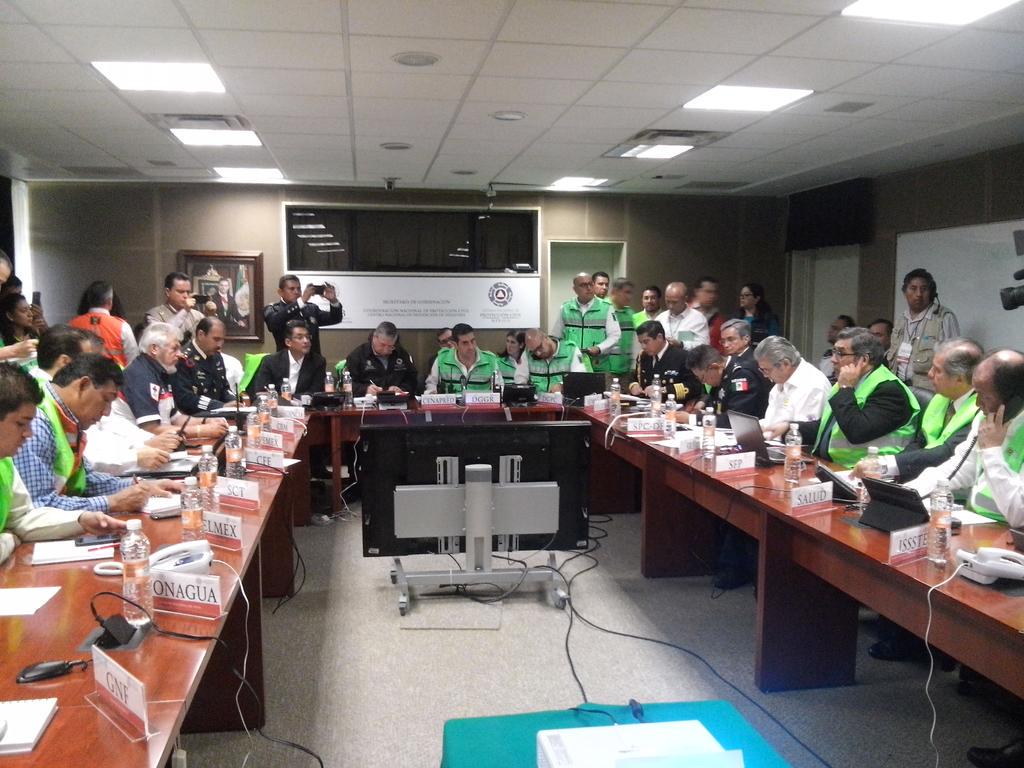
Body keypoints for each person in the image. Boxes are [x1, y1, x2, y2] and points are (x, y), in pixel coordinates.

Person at [13, 354, 176, 514]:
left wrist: (140, 486)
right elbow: (40, 505)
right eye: (106, 399)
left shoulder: (67, 416)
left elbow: (87, 480)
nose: (107, 412)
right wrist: (111, 503)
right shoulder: (36, 424)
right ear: (83, 385)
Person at [0, 364, 126, 564]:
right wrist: (8, 539)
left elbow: (22, 519)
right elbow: (15, 530)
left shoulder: (5, 463)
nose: (28, 434)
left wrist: (80, 519)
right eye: (21, 423)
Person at [769, 327, 920, 469]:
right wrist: (789, 427)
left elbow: (857, 432)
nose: (833, 359)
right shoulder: (847, 383)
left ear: (863, 360)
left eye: (840, 354)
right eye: (834, 352)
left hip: (865, 473)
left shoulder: (889, 390)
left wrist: (846, 388)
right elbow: (830, 428)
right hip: (831, 466)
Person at [908, 349, 1024, 525]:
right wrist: (907, 493)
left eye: (985, 397)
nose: (977, 404)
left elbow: (1019, 514)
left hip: (1011, 532)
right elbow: (959, 468)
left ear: (1014, 401)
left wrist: (992, 450)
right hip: (979, 524)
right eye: (976, 393)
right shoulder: (986, 420)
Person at [854, 338, 982, 483]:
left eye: (937, 370)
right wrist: (889, 472)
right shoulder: (941, 399)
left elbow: (944, 454)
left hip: (953, 487)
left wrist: (886, 464)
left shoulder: (980, 410)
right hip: (923, 479)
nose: (930, 374)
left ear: (959, 379)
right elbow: (920, 443)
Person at [119, 323, 228, 438]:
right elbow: (151, 429)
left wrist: (206, 421)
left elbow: (176, 418)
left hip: (161, 442)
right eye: (174, 349)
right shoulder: (140, 375)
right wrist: (201, 430)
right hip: (134, 444)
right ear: (154, 349)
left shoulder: (162, 371)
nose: (180, 354)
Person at [886, 268, 960, 391]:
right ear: (905, 292)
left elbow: (954, 359)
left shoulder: (944, 318)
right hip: (900, 387)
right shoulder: (901, 319)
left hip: (929, 390)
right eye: (913, 288)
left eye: (924, 289)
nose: (918, 294)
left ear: (932, 293)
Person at [754, 336, 831, 429]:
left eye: (766, 370)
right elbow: (771, 421)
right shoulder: (781, 381)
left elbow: (804, 431)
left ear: (785, 364)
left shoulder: (813, 385)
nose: (765, 375)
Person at [551, 273, 620, 373]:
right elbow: (556, 336)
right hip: (572, 364)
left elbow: (615, 335)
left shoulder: (606, 307)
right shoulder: (566, 308)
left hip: (598, 365)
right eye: (583, 285)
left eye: (590, 284)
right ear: (575, 289)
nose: (588, 288)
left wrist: (599, 348)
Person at [689, 344, 769, 428]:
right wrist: (702, 412)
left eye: (703, 378)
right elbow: (716, 406)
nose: (703, 383)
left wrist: (693, 419)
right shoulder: (719, 374)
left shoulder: (741, 376)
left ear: (714, 366)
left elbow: (736, 419)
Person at [264, 275, 343, 358]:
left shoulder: (311, 308)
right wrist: (301, 302)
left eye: (299, 289)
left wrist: (333, 301)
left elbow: (335, 318)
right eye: (292, 289)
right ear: (280, 292)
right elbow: (273, 324)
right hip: (287, 361)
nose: (296, 292)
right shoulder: (273, 309)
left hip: (313, 361)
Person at [248, 319, 326, 400]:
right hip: (275, 405)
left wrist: (291, 398)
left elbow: (315, 393)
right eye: (300, 337)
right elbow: (261, 391)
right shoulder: (271, 361)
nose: (306, 341)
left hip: (304, 406)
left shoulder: (318, 362)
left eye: (308, 337)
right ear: (288, 342)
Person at [628, 321, 700, 406]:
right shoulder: (643, 356)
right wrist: (634, 385)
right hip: (647, 406)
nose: (643, 347)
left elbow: (694, 386)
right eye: (641, 343)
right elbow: (634, 377)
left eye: (646, 342)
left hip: (673, 407)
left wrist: (663, 390)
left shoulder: (682, 357)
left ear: (659, 337)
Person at [173, 317, 235, 414]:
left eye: (222, 340)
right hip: (194, 416)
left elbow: (224, 388)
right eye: (216, 339)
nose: (220, 345)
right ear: (201, 335)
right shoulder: (183, 358)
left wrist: (234, 402)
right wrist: (220, 406)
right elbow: (185, 398)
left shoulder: (216, 356)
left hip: (217, 414)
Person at [69, 280, 138, 366]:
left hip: (80, 373)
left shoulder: (72, 325)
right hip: (114, 373)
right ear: (110, 302)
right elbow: (133, 360)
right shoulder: (122, 326)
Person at [344, 321, 417, 397]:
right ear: (374, 338)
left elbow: (412, 379)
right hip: (368, 401)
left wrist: (401, 389)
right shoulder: (358, 356)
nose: (386, 350)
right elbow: (346, 385)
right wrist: (365, 389)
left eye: (390, 346)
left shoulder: (400, 354)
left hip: (396, 400)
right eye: (382, 345)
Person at [424, 323, 501, 394]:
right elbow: (431, 383)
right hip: (451, 404)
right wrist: (432, 393)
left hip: (482, 404)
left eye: (472, 341)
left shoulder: (490, 360)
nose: (471, 347)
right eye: (465, 343)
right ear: (455, 345)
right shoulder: (442, 358)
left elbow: (499, 386)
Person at [146, 271, 206, 343]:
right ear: (168, 292)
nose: (185, 296)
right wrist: (185, 311)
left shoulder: (198, 316)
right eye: (180, 292)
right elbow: (161, 338)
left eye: (188, 292)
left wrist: (211, 314)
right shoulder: (154, 315)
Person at [519, 328, 584, 393]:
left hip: (563, 397)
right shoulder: (527, 353)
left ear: (546, 338)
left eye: (539, 347)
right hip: (537, 397)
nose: (538, 353)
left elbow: (580, 379)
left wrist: (563, 386)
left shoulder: (571, 350)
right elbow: (520, 379)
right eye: (534, 351)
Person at [655, 281, 709, 350]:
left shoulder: (698, 319)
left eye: (675, 302)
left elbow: (704, 346)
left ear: (685, 299)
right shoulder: (660, 319)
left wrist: (681, 344)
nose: (671, 306)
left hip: (688, 356)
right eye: (668, 301)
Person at [606, 278, 637, 379]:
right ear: (615, 292)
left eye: (631, 293)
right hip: (606, 370)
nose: (630, 297)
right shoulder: (603, 310)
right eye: (626, 292)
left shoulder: (630, 313)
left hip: (626, 370)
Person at [690, 276, 725, 352]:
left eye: (715, 292)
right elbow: (682, 338)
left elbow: (721, 346)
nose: (712, 296)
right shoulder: (685, 312)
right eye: (708, 292)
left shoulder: (719, 320)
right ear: (696, 292)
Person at [0, 293, 40, 358]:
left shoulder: (33, 334)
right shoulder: (3, 340)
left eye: (29, 309)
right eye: (24, 310)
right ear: (10, 315)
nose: (30, 314)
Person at [819, 314, 856, 383]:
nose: (830, 331)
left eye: (835, 328)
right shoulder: (827, 353)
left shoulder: (851, 354)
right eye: (831, 327)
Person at [420, 326, 455, 393]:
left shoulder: (469, 355)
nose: (449, 343)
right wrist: (432, 392)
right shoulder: (436, 359)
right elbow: (432, 382)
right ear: (440, 345)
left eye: (451, 338)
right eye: (444, 341)